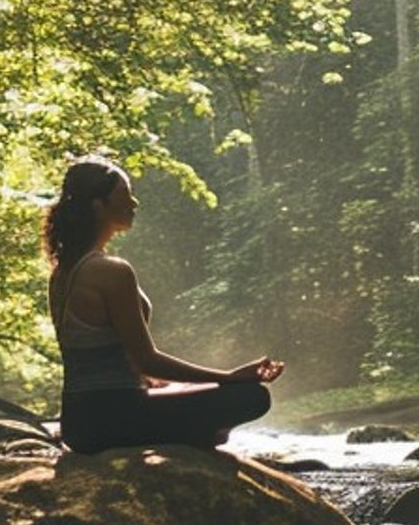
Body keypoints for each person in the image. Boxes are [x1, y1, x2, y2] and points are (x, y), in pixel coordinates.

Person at [44, 155, 284, 454]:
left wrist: (167, 384)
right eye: (124, 195)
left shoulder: (64, 272)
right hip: (114, 418)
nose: (134, 203)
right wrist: (229, 377)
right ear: (98, 206)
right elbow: (147, 360)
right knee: (251, 396)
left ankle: (198, 433)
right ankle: (198, 434)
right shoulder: (110, 271)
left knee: (195, 391)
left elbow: (124, 363)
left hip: (79, 422)